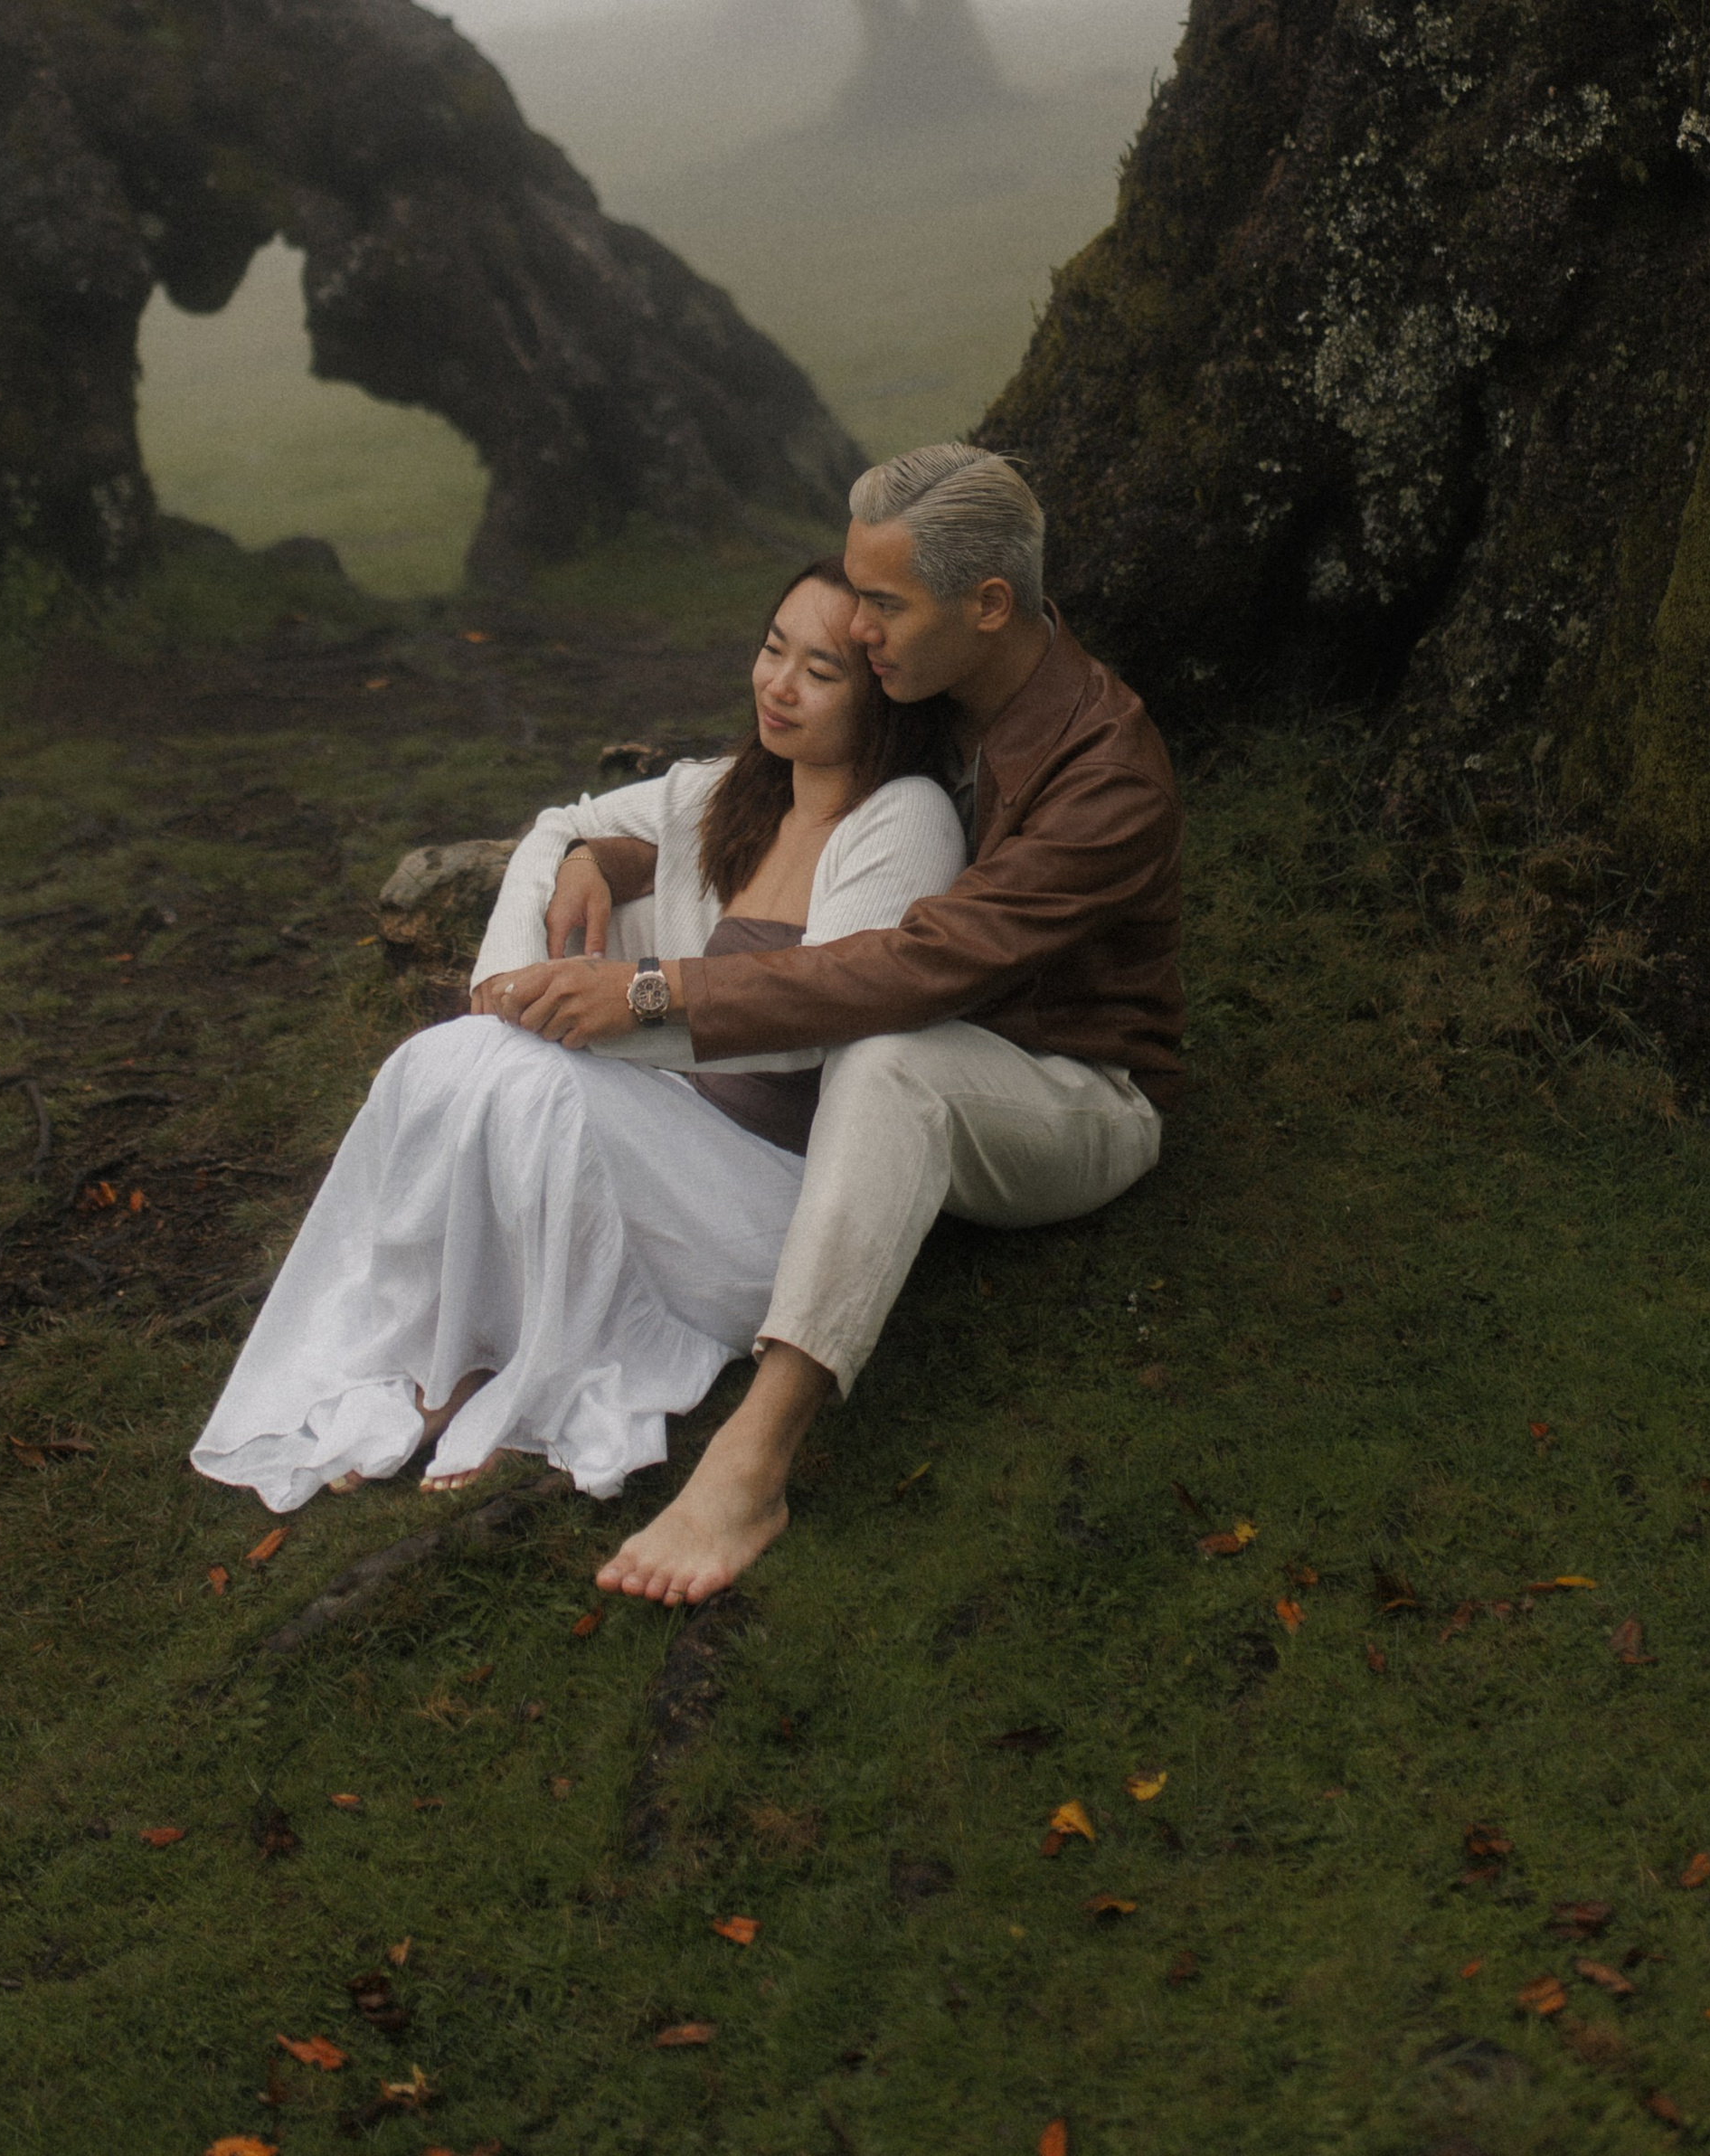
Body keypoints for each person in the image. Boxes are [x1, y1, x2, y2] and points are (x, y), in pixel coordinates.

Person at [483, 442, 1185, 1606]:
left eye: (884, 603)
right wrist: (608, 854)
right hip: (907, 1057)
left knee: (892, 1058)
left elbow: (916, 968)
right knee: (880, 1058)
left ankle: (752, 1457)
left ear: (990, 604)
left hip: (1068, 1090)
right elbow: (790, 811)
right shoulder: (943, 689)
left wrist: (655, 992)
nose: (857, 628)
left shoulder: (1105, 777)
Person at [189, 560, 962, 1514]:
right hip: (678, 1155)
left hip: (776, 1210)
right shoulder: (736, 792)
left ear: (883, 695)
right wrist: (535, 949)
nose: (778, 684)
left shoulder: (905, 819)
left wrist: (621, 1008)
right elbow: (558, 826)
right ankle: (456, 1354)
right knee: (443, 1060)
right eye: (771, 650)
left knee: (539, 1087)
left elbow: (822, 1017)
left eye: (820, 670)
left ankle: (536, 1387)